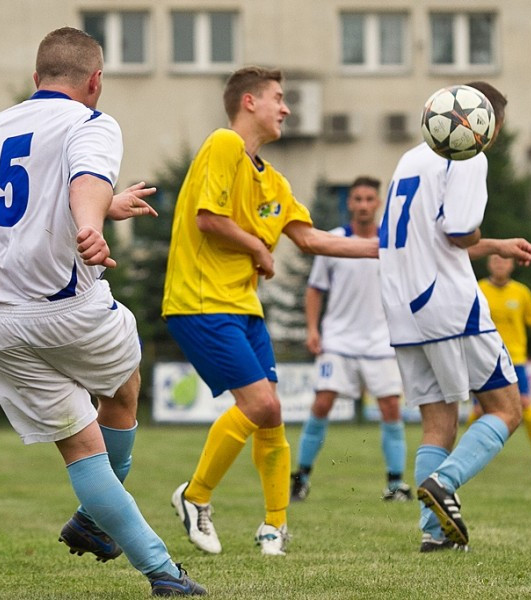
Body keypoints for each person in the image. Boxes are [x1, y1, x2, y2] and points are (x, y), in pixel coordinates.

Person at [0, 27, 205, 596]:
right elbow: (85, 180)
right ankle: (95, 522)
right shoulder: (91, 121)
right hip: (65, 308)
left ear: (35, 78)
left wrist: (102, 210)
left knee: (80, 447)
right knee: (122, 390)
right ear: (95, 80)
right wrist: (93, 225)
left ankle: (162, 574)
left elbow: (31, 202)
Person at [162, 66, 379, 557]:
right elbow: (208, 218)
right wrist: (259, 250)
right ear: (249, 103)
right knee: (259, 405)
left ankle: (274, 526)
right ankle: (194, 496)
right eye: (279, 98)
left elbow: (313, 240)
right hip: (201, 301)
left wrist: (388, 249)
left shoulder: (275, 181)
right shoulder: (223, 144)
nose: (286, 108)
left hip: (244, 308)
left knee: (273, 414)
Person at [377, 81, 531, 553]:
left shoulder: (411, 158)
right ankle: (446, 481)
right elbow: (460, 232)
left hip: (402, 306)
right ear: (486, 121)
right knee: (506, 409)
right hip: (447, 302)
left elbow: (436, 233)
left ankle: (434, 533)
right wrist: (483, 237)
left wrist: (495, 244)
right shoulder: (470, 152)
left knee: (438, 423)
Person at [290, 176, 410, 503]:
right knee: (322, 403)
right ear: (350, 204)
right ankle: (300, 478)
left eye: (369, 198)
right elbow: (315, 289)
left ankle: (396, 484)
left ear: (378, 203)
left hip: (381, 341)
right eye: (357, 199)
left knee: (390, 408)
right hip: (339, 340)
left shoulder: (392, 242)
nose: (363, 205)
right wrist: (312, 329)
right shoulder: (332, 241)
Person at [467, 254, 531, 469]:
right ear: (488, 264)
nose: (500, 264)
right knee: (479, 411)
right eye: (495, 260)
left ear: (512, 265)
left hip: (515, 359)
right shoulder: (477, 288)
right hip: (484, 358)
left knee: (525, 404)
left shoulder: (521, 292)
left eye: (504, 261)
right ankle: (465, 454)